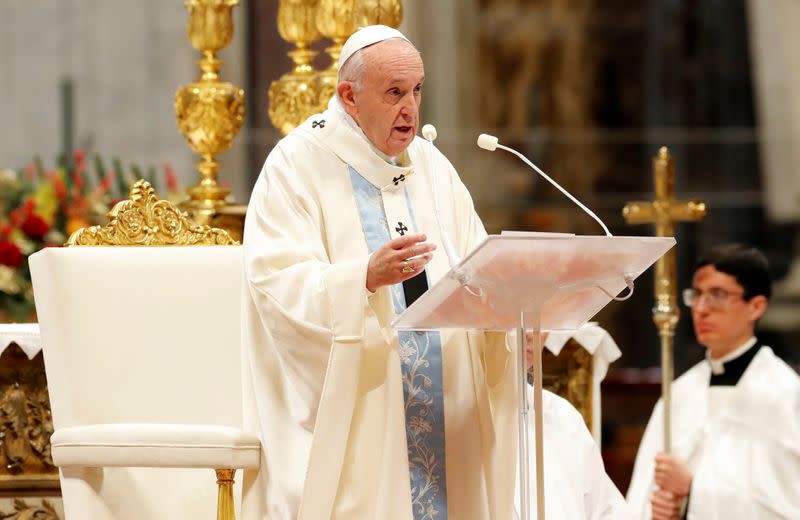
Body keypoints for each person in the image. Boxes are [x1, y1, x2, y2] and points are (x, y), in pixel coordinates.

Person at [240, 25, 517, 520]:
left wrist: (510, 316)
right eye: (394, 93)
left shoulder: (432, 166)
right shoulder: (296, 164)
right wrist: (362, 278)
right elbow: (275, 282)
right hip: (363, 411)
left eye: (417, 91)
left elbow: (478, 264)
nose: (410, 108)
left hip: (445, 409)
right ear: (349, 96)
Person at [626, 244, 800, 519]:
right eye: (696, 295)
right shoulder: (679, 393)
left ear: (756, 306)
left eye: (717, 295)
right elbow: (643, 496)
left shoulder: (784, 395)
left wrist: (693, 491)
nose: (701, 309)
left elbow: (786, 505)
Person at [515, 333, 631, 519]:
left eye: (540, 316)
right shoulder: (458, 416)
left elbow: (605, 511)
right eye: (517, 313)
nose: (530, 333)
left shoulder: (563, 416)